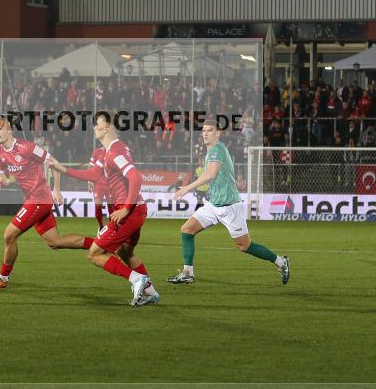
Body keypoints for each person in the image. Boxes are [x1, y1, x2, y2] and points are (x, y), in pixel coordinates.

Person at [48, 111, 160, 307]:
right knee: (125, 253)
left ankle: (137, 280)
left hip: (128, 213)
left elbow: (136, 177)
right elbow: (94, 174)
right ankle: (150, 293)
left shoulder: (114, 153)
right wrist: (64, 169)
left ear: (106, 127)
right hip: (136, 210)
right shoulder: (113, 151)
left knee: (94, 253)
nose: (94, 127)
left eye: (97, 124)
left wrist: (125, 209)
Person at [168, 119, 290, 285]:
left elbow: (210, 174)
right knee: (187, 229)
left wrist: (186, 188)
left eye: (209, 130)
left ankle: (281, 262)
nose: (205, 133)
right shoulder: (212, 151)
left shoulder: (217, 150)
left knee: (244, 246)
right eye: (203, 130)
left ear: (218, 133)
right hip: (213, 205)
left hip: (229, 207)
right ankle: (188, 272)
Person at [0, 118, 89, 291]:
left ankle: (3, 277)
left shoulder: (27, 148)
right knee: (55, 242)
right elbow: (3, 176)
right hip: (32, 199)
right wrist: (0, 181)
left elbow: (52, 162)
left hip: (39, 199)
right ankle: (99, 244)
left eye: (0, 129)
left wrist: (57, 190)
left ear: (10, 130)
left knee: (9, 235)